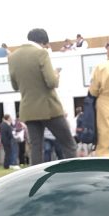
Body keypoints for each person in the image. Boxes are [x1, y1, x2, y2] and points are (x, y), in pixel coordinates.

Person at [8, 28, 77, 165]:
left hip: (28, 109)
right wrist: (56, 74)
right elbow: (51, 82)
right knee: (69, 144)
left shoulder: (13, 57)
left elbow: (15, 86)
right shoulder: (41, 54)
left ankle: (35, 180)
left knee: (36, 148)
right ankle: (75, 173)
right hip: (49, 107)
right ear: (43, 42)